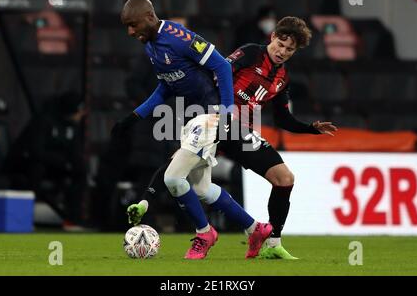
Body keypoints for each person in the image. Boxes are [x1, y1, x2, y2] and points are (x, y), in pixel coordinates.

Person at [128, 16, 338, 259]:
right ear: (273, 37)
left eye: (289, 49)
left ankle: (272, 243)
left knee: (284, 179)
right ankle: (209, 230)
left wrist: (311, 128)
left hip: (239, 133)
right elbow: (217, 73)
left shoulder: (282, 79)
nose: (282, 52)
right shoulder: (250, 54)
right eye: (280, 44)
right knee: (184, 175)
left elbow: (282, 119)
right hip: (217, 121)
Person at [112, 0, 272, 260]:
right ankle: (255, 229)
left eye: (133, 25)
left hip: (210, 114)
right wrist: (134, 117)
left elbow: (220, 64)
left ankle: (204, 233)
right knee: (201, 189)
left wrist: (227, 109)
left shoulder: (179, 37)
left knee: (173, 178)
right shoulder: (151, 46)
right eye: (126, 27)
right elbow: (165, 87)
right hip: (192, 118)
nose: (130, 32)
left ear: (150, 17)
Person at [4, 91, 87, 227]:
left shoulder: (73, 127)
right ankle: (26, 217)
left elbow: (74, 152)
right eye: (80, 110)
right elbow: (35, 151)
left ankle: (73, 218)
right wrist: (63, 162)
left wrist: (73, 164)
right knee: (37, 168)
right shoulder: (44, 120)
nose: (82, 114)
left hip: (55, 165)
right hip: (28, 164)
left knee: (80, 172)